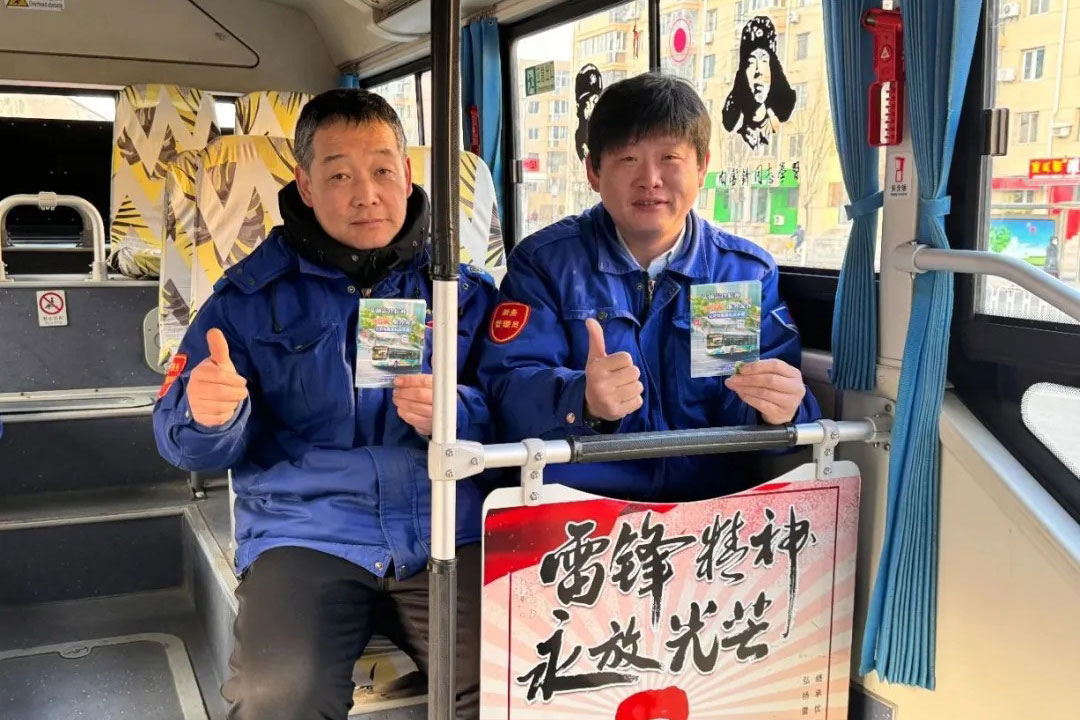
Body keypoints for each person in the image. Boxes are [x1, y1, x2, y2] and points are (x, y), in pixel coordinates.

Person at [153, 89, 496, 720]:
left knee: (513, 684)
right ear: (306, 186)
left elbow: (512, 407)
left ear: (407, 176)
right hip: (307, 532)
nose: (366, 194)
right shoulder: (246, 300)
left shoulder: (464, 292)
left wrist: (459, 412)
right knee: (277, 697)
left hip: (450, 526)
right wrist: (209, 416)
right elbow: (181, 438)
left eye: (382, 170)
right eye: (339, 175)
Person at [477, 73, 820, 501]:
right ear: (593, 171)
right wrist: (582, 400)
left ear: (702, 166)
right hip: (580, 507)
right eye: (628, 159)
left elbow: (754, 412)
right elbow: (504, 390)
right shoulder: (545, 264)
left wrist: (783, 410)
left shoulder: (739, 274)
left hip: (712, 505)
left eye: (670, 158)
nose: (650, 179)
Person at [721, 16, 796, 151]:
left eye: (764, 61)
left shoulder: (776, 129)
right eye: (751, 62)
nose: (758, 71)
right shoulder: (735, 136)